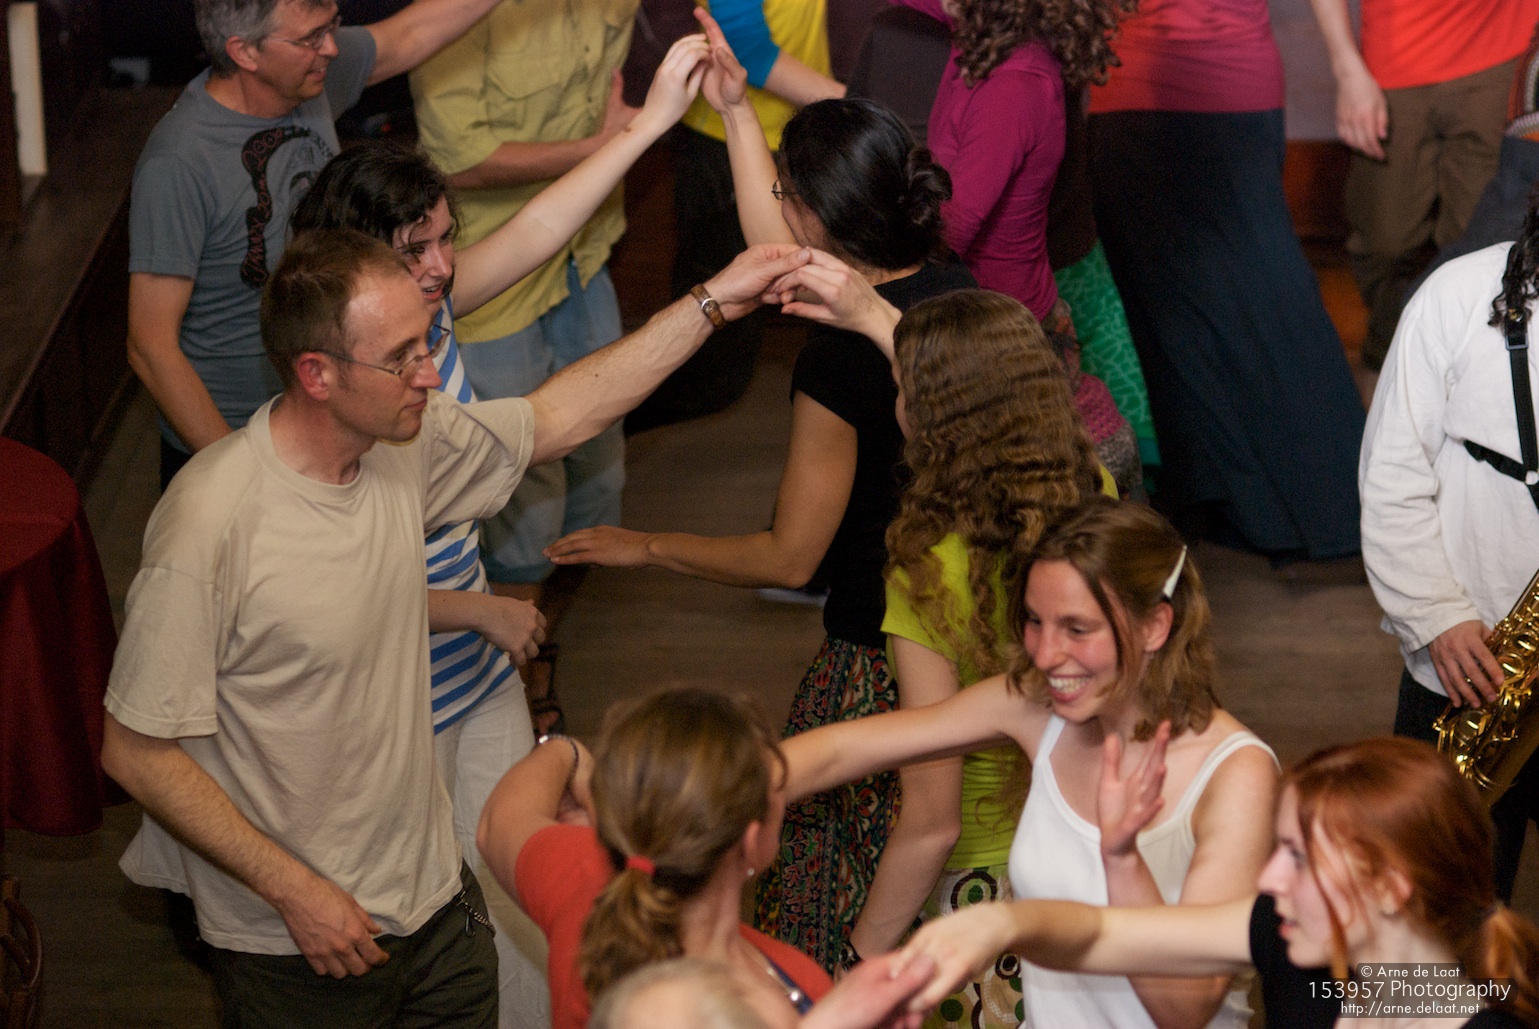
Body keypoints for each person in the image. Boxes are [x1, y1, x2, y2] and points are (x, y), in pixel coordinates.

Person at [100, 228, 812, 1024]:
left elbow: (559, 416)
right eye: (400, 357)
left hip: (437, 903)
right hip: (298, 941)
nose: (430, 374)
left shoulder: (398, 443)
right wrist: (294, 891)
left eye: (425, 345)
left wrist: (715, 300)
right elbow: (135, 750)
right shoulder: (210, 523)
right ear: (317, 374)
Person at [283, 34, 711, 1025]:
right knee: (414, 914)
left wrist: (650, 123)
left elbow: (544, 226)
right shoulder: (347, 388)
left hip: (472, 675)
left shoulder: (424, 318)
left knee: (519, 879)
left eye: (445, 239)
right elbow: (344, 582)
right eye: (417, 249)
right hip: (392, 698)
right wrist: (479, 610)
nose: (442, 265)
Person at [545, 71, 973, 969]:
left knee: (831, 907)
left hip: (877, 660)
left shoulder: (837, 364)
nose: (776, 211)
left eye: (787, 195)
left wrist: (646, 544)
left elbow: (789, 556)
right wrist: (737, 110)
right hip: (980, 643)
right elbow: (777, 242)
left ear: (816, 219)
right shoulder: (960, 300)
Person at [778, 496, 1279, 1028]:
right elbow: (841, 751)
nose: (1045, 654)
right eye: (1035, 622)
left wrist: (1121, 860)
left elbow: (1187, 1008)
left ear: (1156, 626)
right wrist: (733, 781)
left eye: (1077, 629)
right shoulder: (1037, 706)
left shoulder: (1235, 775)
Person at [819, 289, 1104, 1027]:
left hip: (984, 890)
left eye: (903, 388)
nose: (896, 403)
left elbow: (932, 820)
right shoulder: (1093, 500)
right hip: (1096, 863)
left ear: (934, 420)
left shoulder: (926, 570)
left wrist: (860, 959)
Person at [127, 0, 512, 490]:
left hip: (330, 424)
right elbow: (150, 346)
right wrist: (244, 476)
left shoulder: (309, 74)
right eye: (312, 37)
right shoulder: (179, 162)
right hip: (236, 443)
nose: (331, 47)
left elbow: (409, 35)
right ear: (244, 52)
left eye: (332, 26)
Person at [895, 737, 1539, 1029]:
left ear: (1390, 889)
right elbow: (1104, 931)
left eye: (1298, 858)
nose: (1269, 877)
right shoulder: (1306, 948)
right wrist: (1001, 922)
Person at [406, 0, 647, 713]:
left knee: (599, 481)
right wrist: (609, 145)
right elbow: (456, 158)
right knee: (517, 511)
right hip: (490, 281)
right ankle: (505, 685)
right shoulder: (461, 11)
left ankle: (537, 643)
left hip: (583, 256)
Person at [1086, 0, 1366, 562]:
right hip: (1142, 84)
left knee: (1237, 311)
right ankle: (1234, 504)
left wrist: (1348, 66)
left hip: (1206, 82)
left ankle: (1335, 507)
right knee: (1174, 319)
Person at [476, 688, 832, 1029]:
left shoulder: (588, 898)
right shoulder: (789, 993)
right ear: (751, 844)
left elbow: (498, 821)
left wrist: (565, 751)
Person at [1360, 226, 1539, 900]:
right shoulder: (1457, 294)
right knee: (1443, 910)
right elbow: (1391, 475)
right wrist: (1434, 613)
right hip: (1469, 664)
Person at [635, 0, 846, 431]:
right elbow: (747, 46)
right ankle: (605, 430)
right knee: (713, 367)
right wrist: (851, 106)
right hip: (726, 144)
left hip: (788, 133)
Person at [1307, 0, 1539, 370]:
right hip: (1395, 64)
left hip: (1497, 55)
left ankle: (1462, 374)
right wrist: (1348, 70)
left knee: (1482, 248)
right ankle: (1392, 363)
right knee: (1384, 242)